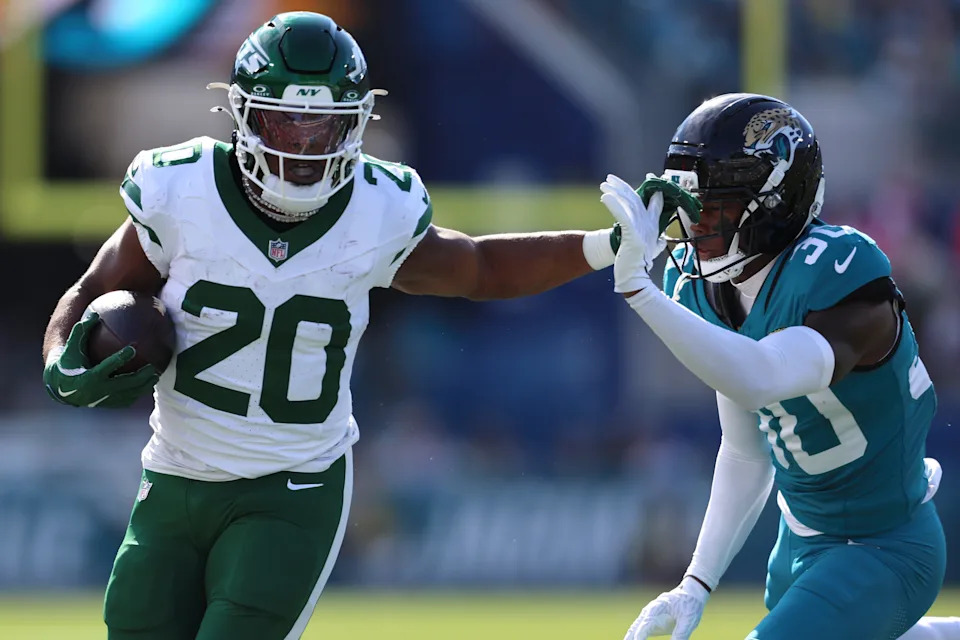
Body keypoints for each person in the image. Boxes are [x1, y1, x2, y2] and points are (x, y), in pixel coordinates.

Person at [40, 12, 620, 640]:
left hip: (291, 489)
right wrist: (61, 360)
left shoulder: (376, 210)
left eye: (323, 126)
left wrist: (604, 245)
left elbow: (479, 266)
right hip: (175, 475)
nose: (302, 144)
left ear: (357, 123)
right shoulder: (182, 190)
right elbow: (95, 291)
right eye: (283, 120)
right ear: (241, 114)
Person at [602, 93, 959, 640]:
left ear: (773, 203)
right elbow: (746, 445)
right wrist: (696, 582)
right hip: (798, 546)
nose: (697, 226)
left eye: (715, 207)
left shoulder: (842, 276)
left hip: (884, 545)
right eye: (693, 208)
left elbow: (762, 373)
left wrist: (638, 290)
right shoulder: (710, 290)